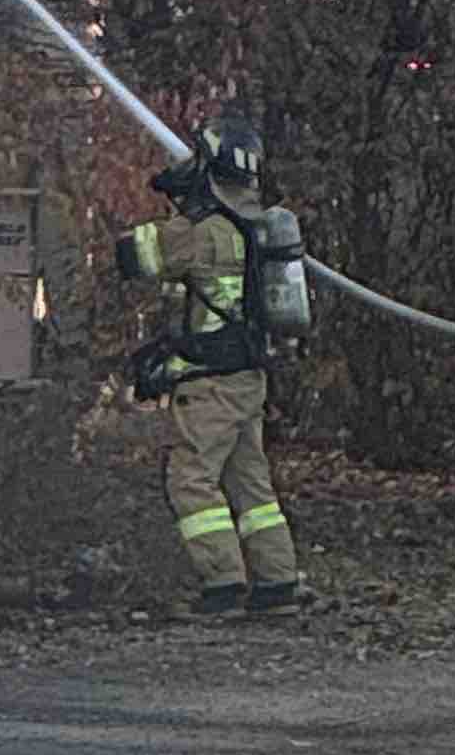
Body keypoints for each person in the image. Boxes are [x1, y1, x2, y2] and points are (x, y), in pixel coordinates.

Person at [115, 112, 311, 618]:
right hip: (247, 378)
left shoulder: (202, 232)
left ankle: (223, 584)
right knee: (251, 485)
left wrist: (176, 195)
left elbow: (132, 255)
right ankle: (277, 582)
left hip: (209, 383)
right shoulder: (257, 226)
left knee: (191, 479)